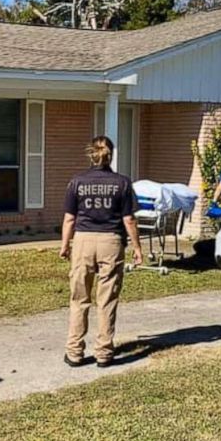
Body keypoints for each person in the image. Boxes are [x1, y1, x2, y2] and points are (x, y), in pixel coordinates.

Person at [59, 136, 144, 368]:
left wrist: (65, 245)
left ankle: (75, 351)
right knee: (107, 299)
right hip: (111, 241)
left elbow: (69, 219)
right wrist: (137, 247)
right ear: (111, 155)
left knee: (79, 298)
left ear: (91, 155)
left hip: (83, 241)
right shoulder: (123, 183)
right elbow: (129, 219)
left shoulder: (77, 182)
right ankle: (104, 352)